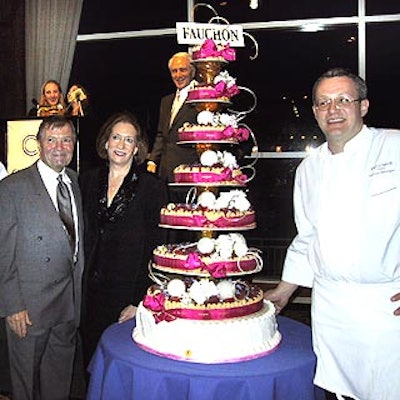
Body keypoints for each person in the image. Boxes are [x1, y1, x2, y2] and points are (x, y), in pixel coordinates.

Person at [265, 68, 400, 400]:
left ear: (363, 106)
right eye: (323, 103)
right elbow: (308, 237)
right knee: (339, 393)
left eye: (343, 100)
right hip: (331, 309)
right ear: (314, 112)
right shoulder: (308, 169)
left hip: (386, 306)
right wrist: (283, 291)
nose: (333, 109)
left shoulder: (394, 146)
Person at [0, 116, 84, 400]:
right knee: (25, 385)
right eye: (51, 139)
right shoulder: (12, 187)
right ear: (38, 144)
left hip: (68, 303)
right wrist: (12, 305)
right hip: (30, 310)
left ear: (73, 144)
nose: (59, 147)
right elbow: (3, 251)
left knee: (58, 382)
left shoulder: (74, 181)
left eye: (66, 139)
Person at [79, 111, 167, 369]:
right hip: (90, 293)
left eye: (129, 140)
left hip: (127, 293)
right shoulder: (87, 181)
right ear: (105, 142)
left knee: (121, 366)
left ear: (137, 148)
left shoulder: (152, 188)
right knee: (90, 363)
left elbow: (157, 246)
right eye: (116, 137)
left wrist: (140, 299)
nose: (120, 145)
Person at [147, 51, 199, 185]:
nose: (178, 75)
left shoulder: (201, 99)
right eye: (174, 71)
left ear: (192, 71)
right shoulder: (166, 101)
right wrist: (153, 160)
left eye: (183, 70)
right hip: (165, 172)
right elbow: (161, 134)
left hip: (189, 171)